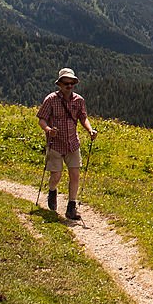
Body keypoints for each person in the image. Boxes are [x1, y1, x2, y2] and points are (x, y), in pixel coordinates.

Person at [37, 68, 97, 220]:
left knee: (75, 175)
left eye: (72, 83)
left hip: (73, 143)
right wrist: (49, 129)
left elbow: (83, 118)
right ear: (60, 84)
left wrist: (90, 130)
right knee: (56, 175)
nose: (69, 86)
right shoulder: (50, 99)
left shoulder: (79, 100)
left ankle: (71, 207)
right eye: (66, 83)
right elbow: (41, 119)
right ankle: (52, 190)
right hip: (55, 143)